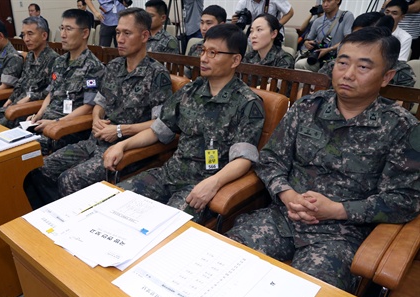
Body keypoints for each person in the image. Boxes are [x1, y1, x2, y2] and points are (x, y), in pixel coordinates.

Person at [225, 27, 420, 292]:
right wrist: (287, 194)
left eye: (363, 67)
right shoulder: (308, 107)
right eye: (342, 62)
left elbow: (404, 200)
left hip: (341, 234)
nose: (347, 74)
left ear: (386, 77)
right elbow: (271, 160)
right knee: (225, 263)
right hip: (283, 216)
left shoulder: (402, 128)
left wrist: (338, 210)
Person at [104, 23, 265, 221]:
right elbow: (158, 130)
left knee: (163, 228)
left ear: (235, 60)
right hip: (170, 174)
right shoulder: (190, 91)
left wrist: (213, 183)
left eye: (213, 53)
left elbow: (243, 159)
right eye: (203, 50)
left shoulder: (247, 103)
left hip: (201, 184)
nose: (204, 58)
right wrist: (123, 145)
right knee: (114, 205)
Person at [24, 8, 172, 209]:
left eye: (127, 33)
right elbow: (99, 103)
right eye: (118, 32)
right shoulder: (114, 66)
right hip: (95, 140)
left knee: (69, 180)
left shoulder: (157, 74)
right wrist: (96, 119)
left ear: (144, 36)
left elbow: (159, 124)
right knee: (39, 169)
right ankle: (56, 217)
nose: (119, 39)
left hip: (126, 148)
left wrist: (119, 130)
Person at [25, 9, 105, 152]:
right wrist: (37, 116)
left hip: (65, 129)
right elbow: (51, 93)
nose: (63, 34)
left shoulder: (93, 67)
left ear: (85, 33)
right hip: (45, 123)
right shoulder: (59, 61)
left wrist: (56, 122)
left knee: (22, 150)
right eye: (61, 28)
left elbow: (88, 106)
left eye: (69, 29)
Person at [0, 16, 58, 128]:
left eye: (30, 34)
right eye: (23, 35)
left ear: (44, 35)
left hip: (29, 109)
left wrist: (30, 97)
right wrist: (11, 98)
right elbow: (21, 82)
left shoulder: (54, 60)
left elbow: (52, 91)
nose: (26, 39)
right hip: (16, 104)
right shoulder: (30, 56)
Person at [319, 13, 416, 87]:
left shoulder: (400, 71)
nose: (358, 42)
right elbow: (315, 91)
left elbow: (403, 105)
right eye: (355, 35)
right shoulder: (334, 65)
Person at [295, 0, 354, 72]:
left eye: (329, 1)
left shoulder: (346, 16)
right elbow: (308, 39)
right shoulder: (317, 21)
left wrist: (329, 49)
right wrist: (307, 43)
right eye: (323, 1)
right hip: (320, 57)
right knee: (298, 64)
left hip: (337, 58)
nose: (325, 5)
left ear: (338, 1)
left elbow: (348, 39)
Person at [185, 5, 226, 78]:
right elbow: (186, 73)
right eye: (202, 23)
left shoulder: (228, 49)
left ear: (221, 25)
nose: (203, 28)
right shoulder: (195, 47)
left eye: (209, 23)